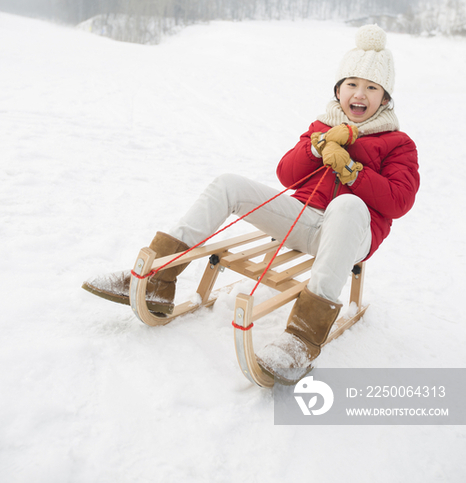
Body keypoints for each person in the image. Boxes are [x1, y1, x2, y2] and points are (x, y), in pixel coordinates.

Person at [83, 24, 420, 383]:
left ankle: (302, 338)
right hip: (303, 221)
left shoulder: (398, 143)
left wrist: (353, 172)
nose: (359, 93)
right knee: (229, 184)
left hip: (351, 235)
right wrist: (315, 147)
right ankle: (156, 278)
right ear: (338, 90)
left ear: (385, 98)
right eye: (352, 84)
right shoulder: (322, 126)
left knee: (350, 205)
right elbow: (287, 175)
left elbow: (399, 201)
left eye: (371, 87)